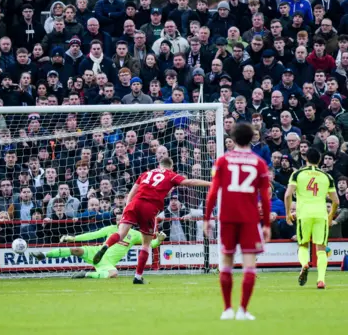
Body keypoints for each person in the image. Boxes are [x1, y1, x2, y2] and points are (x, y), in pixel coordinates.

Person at [92, 156, 210, 282]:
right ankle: (138, 277)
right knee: (146, 244)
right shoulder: (171, 175)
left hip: (134, 203)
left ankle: (105, 246)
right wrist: (210, 183)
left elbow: (132, 192)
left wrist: (127, 207)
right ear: (171, 167)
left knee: (120, 234)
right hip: (149, 207)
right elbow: (190, 182)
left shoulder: (146, 173)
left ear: (159, 165)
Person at [204, 123, 272, 320]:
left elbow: (212, 193)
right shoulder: (259, 163)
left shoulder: (223, 161)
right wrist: (266, 224)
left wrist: (208, 218)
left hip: (227, 217)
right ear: (252, 138)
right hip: (249, 219)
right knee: (249, 265)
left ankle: (227, 309)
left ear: (232, 139)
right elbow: (265, 198)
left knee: (226, 262)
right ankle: (243, 309)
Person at [31, 213, 167, 279]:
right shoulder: (111, 229)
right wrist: (73, 238)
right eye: (119, 219)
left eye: (123, 219)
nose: (121, 221)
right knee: (76, 250)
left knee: (113, 273)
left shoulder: (135, 234)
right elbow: (92, 235)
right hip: (96, 251)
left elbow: (150, 244)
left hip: (107, 262)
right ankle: (44, 255)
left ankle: (86, 274)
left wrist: (159, 240)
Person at [285, 148, 339, 290]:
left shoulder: (297, 174)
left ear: (306, 159)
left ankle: (304, 264)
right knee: (321, 249)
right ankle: (321, 280)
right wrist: (330, 215)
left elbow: (287, 195)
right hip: (321, 214)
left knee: (303, 245)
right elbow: (336, 201)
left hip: (304, 214)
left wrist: (287, 213)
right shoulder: (327, 176)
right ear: (320, 160)